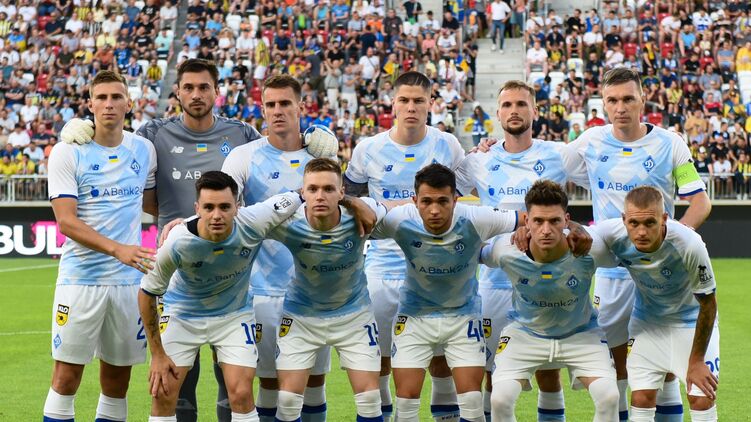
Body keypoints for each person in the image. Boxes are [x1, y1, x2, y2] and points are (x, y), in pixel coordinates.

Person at [60, 59, 261, 422]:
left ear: (217, 92)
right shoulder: (154, 134)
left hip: (230, 265)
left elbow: (274, 155)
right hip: (176, 267)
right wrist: (82, 126)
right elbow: (117, 141)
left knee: (232, 376)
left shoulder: (242, 133)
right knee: (176, 376)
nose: (196, 94)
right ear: (177, 92)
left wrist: (311, 140)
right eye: (189, 87)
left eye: (204, 87)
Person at [562, 68, 712, 421]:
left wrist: (675, 241)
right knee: (616, 363)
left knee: (666, 365)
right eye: (612, 100)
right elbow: (542, 164)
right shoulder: (589, 142)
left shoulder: (670, 144)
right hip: (614, 273)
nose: (621, 107)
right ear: (603, 104)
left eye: (628, 98)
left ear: (643, 100)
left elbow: (700, 202)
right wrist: (489, 149)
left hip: (660, 271)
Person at [344, 71, 467, 422]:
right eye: (404, 100)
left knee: (440, 358)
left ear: (431, 104)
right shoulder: (368, 149)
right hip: (382, 267)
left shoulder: (447, 145)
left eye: (418, 100)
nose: (411, 107)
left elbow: (461, 193)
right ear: (392, 103)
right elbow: (348, 199)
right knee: (380, 356)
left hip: (436, 265)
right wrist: (384, 208)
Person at [456, 80, 582, 421]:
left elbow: (603, 186)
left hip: (547, 281)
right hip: (494, 282)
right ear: (497, 113)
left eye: (521, 104)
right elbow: (445, 201)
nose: (514, 111)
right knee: (490, 371)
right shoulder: (478, 160)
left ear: (535, 111)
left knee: (548, 372)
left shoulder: (559, 154)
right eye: (507, 105)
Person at [139, 172, 306, 422]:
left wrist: (355, 203)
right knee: (163, 393)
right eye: (209, 207)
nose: (216, 215)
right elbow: (147, 293)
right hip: (183, 316)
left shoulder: (255, 220)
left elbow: (303, 193)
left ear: (237, 207)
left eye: (225, 207)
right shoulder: (177, 241)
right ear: (197, 208)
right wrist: (158, 355)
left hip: (233, 316)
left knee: (241, 393)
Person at [221, 75, 339, 422]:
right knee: (270, 383)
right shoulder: (245, 157)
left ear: (300, 107)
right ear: (262, 110)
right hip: (262, 291)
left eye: (285, 103)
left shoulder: (321, 157)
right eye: (270, 105)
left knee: (314, 382)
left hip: (313, 290)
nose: (277, 111)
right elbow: (222, 209)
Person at [44, 70, 157, 422]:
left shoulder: (144, 150)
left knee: (117, 382)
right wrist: (118, 249)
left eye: (116, 97)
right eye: (102, 97)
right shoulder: (67, 151)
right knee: (66, 378)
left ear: (129, 103)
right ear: (90, 104)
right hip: (81, 280)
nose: (109, 104)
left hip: (129, 284)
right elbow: (66, 222)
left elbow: (153, 203)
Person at [370, 163, 519, 422]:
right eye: (426, 201)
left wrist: (554, 229)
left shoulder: (475, 218)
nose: (435, 210)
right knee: (406, 403)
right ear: (415, 201)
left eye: (443, 201)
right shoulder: (400, 219)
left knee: (472, 402)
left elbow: (529, 218)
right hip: (414, 318)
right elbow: (355, 223)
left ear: (455, 200)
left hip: (463, 319)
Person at [481, 180, 619, 422]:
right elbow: (473, 253)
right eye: (538, 221)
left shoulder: (590, 248)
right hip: (525, 333)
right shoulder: (506, 249)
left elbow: (626, 256)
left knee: (609, 397)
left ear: (566, 220)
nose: (546, 230)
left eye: (554, 221)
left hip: (581, 333)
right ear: (526, 221)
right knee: (500, 399)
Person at [266, 158, 385, 422]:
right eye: (313, 189)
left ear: (342, 192)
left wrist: (357, 204)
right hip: (301, 317)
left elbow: (405, 211)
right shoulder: (287, 222)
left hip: (354, 316)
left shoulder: (363, 213)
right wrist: (185, 224)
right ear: (302, 192)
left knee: (369, 400)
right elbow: (238, 218)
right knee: (287, 402)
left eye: (329, 189)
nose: (320, 196)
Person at [589, 186, 719, 422]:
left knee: (701, 398)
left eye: (650, 223)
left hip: (690, 323)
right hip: (646, 324)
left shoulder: (689, 244)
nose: (641, 232)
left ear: (664, 219)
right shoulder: (613, 233)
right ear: (624, 220)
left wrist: (697, 361)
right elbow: (578, 235)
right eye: (634, 223)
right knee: (641, 398)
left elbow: (709, 304)